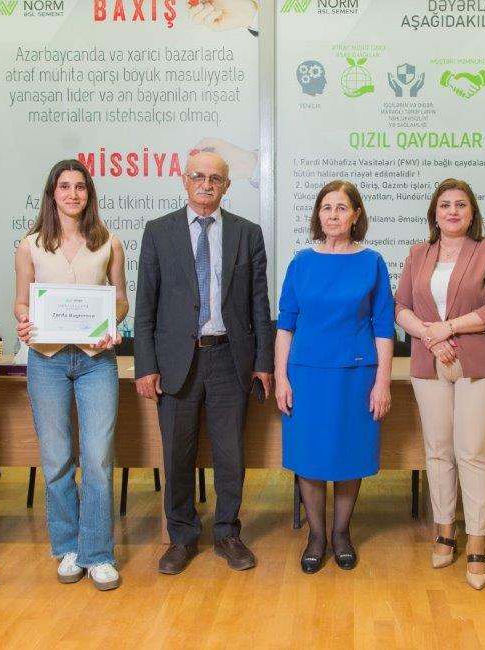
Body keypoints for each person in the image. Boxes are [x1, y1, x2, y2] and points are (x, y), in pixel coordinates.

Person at [134, 151, 274, 575]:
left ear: (227, 185)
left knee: (231, 454)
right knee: (177, 454)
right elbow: (145, 305)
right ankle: (181, 536)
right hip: (177, 361)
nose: (206, 184)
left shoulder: (247, 234)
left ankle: (228, 532)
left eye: (215, 178)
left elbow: (259, 304)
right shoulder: (158, 231)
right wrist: (145, 365)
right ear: (184, 180)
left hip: (230, 358)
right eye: (199, 176)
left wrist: (263, 362)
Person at [14, 159, 129, 591]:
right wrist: (24, 320)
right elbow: (21, 302)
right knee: (57, 458)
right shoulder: (30, 246)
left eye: (80, 187)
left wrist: (112, 322)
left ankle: (97, 554)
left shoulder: (109, 243)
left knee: (97, 459)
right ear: (52, 193)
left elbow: (121, 299)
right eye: (64, 186)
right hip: (47, 360)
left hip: (96, 361)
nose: (73, 194)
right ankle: (67, 547)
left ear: (89, 194)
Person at [394, 178, 485, 590]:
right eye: (445, 205)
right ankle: (445, 531)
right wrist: (431, 336)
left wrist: (448, 328)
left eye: (461, 204)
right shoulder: (418, 254)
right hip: (429, 361)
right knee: (438, 450)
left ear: (472, 211)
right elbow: (401, 306)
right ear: (435, 213)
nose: (453, 211)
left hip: (477, 362)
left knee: (472, 452)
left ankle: (477, 540)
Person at [275, 180, 395, 574]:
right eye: (326, 208)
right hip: (306, 375)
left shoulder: (372, 262)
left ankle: (341, 533)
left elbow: (383, 327)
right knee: (309, 457)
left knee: (349, 454)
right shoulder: (301, 262)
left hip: (356, 375)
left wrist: (382, 382)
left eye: (341, 208)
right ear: (318, 215)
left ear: (356, 215)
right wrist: (281, 377)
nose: (333, 215)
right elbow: (286, 325)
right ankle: (316, 536)